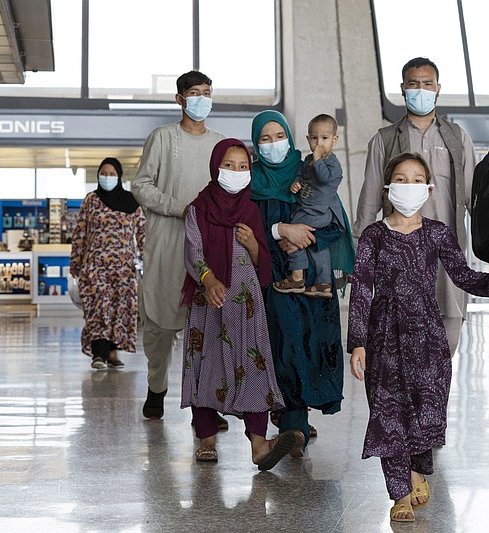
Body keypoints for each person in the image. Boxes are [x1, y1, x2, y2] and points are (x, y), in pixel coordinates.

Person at [347, 153, 489, 523]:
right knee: (388, 415)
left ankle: (417, 469)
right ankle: (399, 493)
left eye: (417, 178)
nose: (409, 186)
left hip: (427, 338)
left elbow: (464, 277)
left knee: (425, 412)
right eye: (401, 179)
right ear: (388, 188)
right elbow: (362, 290)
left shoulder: (438, 232)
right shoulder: (373, 236)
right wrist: (357, 341)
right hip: (383, 337)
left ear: (429, 188)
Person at [180, 138, 301, 468]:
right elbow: (193, 252)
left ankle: (260, 445)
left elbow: (264, 261)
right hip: (210, 299)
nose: (236, 172)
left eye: (243, 166)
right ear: (216, 167)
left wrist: (252, 245)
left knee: (254, 365)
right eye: (229, 166)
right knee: (207, 364)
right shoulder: (198, 208)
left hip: (246, 301)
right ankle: (206, 440)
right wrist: (207, 279)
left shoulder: (249, 209)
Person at [237, 110, 347, 454]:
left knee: (313, 349)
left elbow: (335, 223)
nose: (273, 145)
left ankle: (296, 421)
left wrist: (308, 237)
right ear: (256, 144)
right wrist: (281, 231)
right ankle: (293, 428)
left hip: (315, 281)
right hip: (274, 278)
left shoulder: (310, 172)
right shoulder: (251, 183)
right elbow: (244, 232)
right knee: (285, 347)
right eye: (265, 139)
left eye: (279, 136)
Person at [354, 57, 477, 356]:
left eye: (427, 84)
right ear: (402, 89)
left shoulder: (457, 138)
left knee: (446, 342)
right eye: (413, 84)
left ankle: (434, 401)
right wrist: (358, 260)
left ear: (437, 89)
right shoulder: (384, 140)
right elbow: (369, 202)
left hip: (447, 258)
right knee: (397, 342)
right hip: (398, 258)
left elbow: (475, 199)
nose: (420, 90)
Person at [132, 70, 226, 421]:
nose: (201, 99)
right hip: (167, 241)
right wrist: (179, 207)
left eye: (207, 92)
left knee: (205, 324)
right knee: (160, 322)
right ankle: (157, 386)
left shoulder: (221, 144)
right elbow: (141, 186)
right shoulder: (162, 138)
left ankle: (205, 404)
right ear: (180, 99)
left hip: (209, 244)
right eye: (194, 93)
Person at [70, 157, 145, 369]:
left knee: (120, 309)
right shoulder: (91, 200)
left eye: (112, 174)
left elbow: (142, 233)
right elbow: (80, 233)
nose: (108, 177)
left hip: (124, 268)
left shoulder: (131, 202)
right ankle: (98, 354)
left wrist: (149, 261)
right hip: (94, 267)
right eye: (104, 173)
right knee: (97, 307)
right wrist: (75, 263)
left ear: (120, 177)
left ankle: (112, 352)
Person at [272, 113, 345, 299]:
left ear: (334, 140)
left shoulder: (332, 165)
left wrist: (318, 159)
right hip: (308, 207)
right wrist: (296, 183)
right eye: (314, 138)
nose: (319, 143)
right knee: (318, 249)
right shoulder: (308, 161)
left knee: (295, 230)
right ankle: (323, 284)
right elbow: (302, 175)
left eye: (325, 138)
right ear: (308, 139)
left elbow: (324, 178)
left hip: (317, 212)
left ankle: (297, 276)